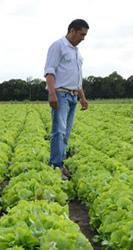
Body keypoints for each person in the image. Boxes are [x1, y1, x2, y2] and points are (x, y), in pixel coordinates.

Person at [44, 19, 89, 179]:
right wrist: (52, 93)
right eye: (81, 34)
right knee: (59, 131)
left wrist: (82, 97)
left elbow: (77, 78)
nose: (83, 38)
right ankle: (56, 166)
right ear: (72, 31)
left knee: (66, 133)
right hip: (61, 94)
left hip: (73, 96)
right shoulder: (59, 46)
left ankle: (60, 164)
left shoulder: (76, 52)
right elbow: (49, 71)